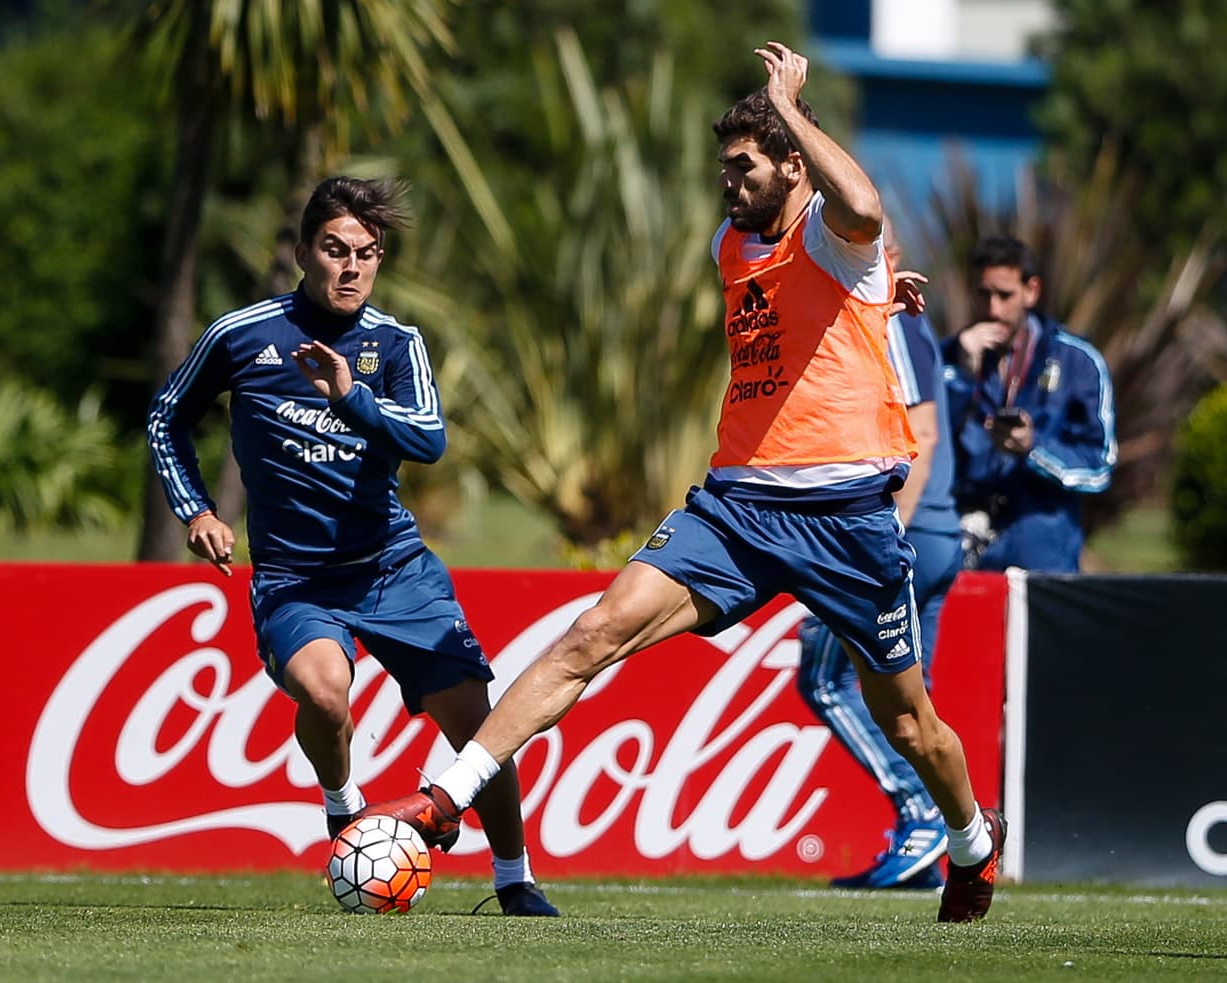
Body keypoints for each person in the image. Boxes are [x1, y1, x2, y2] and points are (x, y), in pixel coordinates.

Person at [368, 41, 1004, 923]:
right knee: (595, 632)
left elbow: (860, 206)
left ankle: (972, 844)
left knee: (910, 724)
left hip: (848, 517)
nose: (727, 182)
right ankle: (445, 801)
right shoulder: (729, 242)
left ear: (791, 159)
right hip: (737, 506)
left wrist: (788, 108)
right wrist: (870, 293)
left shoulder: (832, 227)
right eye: (723, 168)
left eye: (743, 166)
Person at [146, 176, 558, 917]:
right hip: (295, 578)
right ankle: (344, 805)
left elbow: (429, 439)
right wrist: (196, 510)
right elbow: (166, 417)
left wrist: (351, 396)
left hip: (394, 568)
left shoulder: (395, 343)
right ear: (304, 251)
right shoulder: (242, 334)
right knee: (326, 691)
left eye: (367, 255)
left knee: (478, 720)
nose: (351, 268)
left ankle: (514, 876)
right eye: (335, 250)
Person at [796, 221, 965, 890]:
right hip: (935, 532)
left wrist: (881, 540)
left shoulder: (887, 314)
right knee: (907, 699)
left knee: (824, 676)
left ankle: (924, 813)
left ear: (884, 253)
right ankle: (944, 838)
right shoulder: (898, 319)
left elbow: (919, 435)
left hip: (905, 535)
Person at [940, 235, 1116, 572]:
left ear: (1031, 291)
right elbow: (918, 448)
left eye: (1005, 296)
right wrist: (961, 378)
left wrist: (1033, 449)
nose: (993, 309)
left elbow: (1100, 466)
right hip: (959, 551)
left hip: (1041, 557)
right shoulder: (945, 357)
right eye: (983, 294)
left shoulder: (1078, 361)